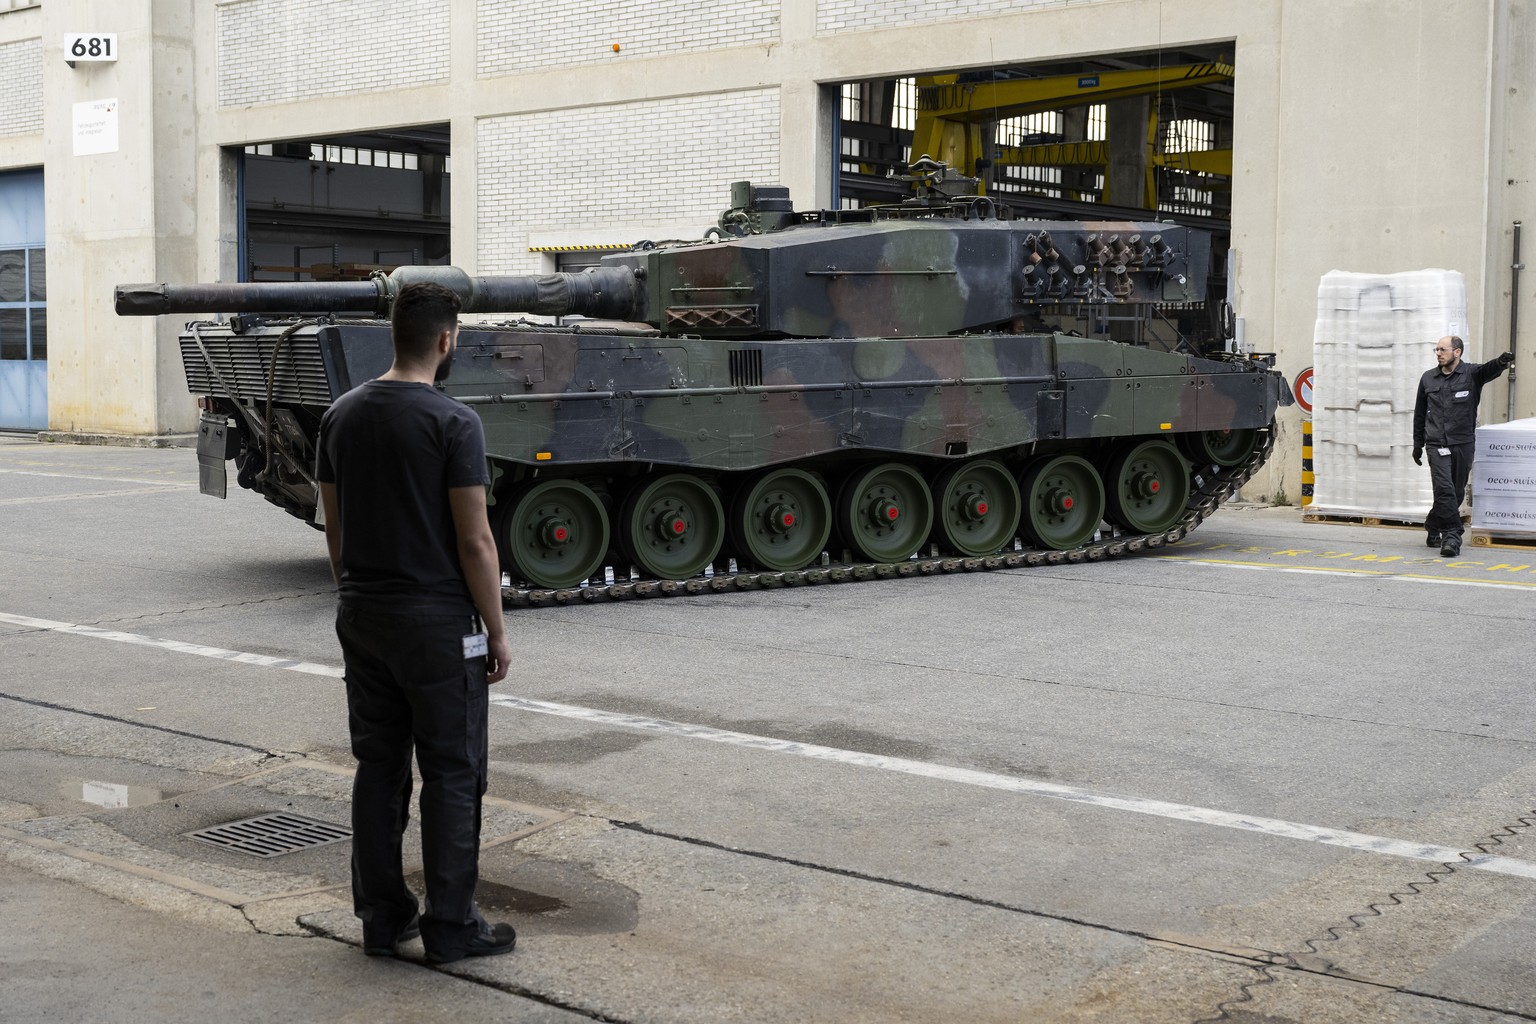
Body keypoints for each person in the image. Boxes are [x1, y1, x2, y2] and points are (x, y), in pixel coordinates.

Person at [316, 281, 516, 964]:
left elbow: (334, 527)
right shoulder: (454, 423)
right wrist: (496, 628)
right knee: (454, 771)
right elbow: (476, 542)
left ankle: (381, 918)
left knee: (379, 768)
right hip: (436, 624)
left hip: (363, 614)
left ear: (393, 336)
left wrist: (357, 599)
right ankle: (452, 927)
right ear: (445, 339)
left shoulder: (340, 415)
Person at [1411, 335, 1514, 557]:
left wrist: (1502, 362)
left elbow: (1489, 369)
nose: (1438, 353)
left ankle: (1433, 524)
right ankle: (1451, 536)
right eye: (1436, 350)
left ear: (1457, 352)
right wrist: (1417, 443)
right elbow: (1419, 413)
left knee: (1455, 492)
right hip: (1436, 444)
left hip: (1463, 444)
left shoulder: (1471, 374)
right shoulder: (1428, 378)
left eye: (1443, 349)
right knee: (1444, 489)